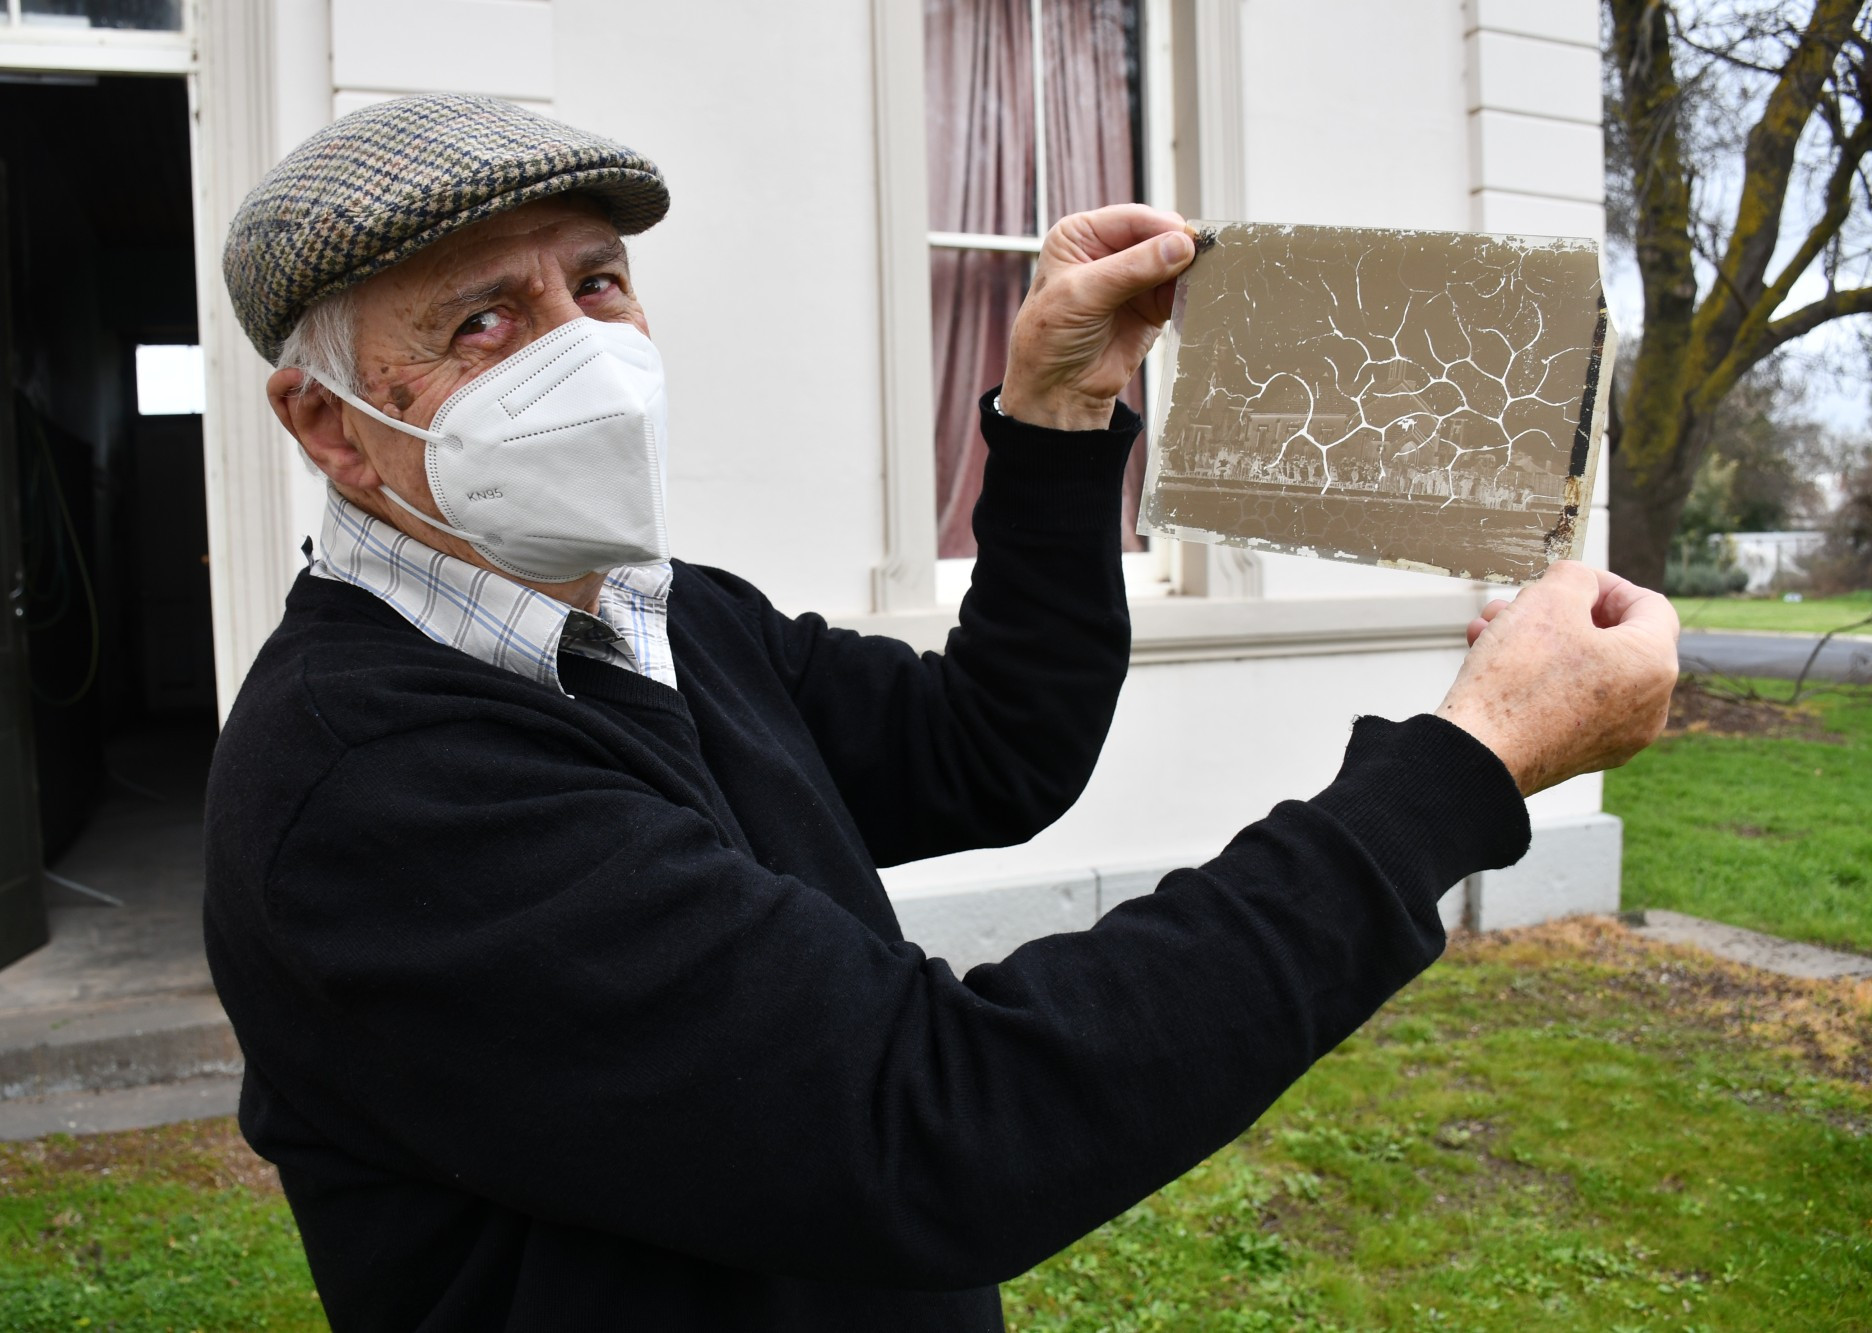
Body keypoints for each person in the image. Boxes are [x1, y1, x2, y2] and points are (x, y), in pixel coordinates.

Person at [205, 94, 1679, 1333]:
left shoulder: (659, 609)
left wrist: (1052, 414)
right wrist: (1465, 766)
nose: (578, 348)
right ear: (330, 425)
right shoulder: (373, 790)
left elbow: (985, 747)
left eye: (594, 281)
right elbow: (933, 1121)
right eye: (482, 318)